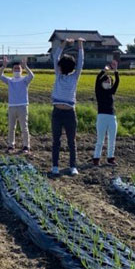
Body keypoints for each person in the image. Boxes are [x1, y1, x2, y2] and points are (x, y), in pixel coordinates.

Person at [50, 37, 85, 176]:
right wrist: (64, 43)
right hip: (57, 112)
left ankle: (72, 166)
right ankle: (55, 166)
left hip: (70, 113)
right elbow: (56, 56)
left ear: (63, 66)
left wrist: (80, 45)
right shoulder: (58, 75)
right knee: (56, 141)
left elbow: (81, 63)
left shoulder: (74, 77)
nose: (57, 65)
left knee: (72, 141)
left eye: (59, 64)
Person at [0, 56, 34, 154]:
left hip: (23, 106)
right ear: (12, 70)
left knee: (24, 127)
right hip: (12, 106)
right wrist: (3, 66)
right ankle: (11, 145)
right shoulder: (10, 80)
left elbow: (32, 76)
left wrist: (26, 66)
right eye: (15, 69)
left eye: (19, 68)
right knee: (11, 127)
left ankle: (26, 146)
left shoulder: (24, 80)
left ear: (22, 70)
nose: (17, 70)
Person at [92, 60, 120, 166]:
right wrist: (104, 71)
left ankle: (110, 158)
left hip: (112, 117)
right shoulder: (99, 91)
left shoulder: (111, 92)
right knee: (100, 139)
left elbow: (117, 82)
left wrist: (115, 70)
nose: (107, 83)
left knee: (112, 139)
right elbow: (97, 80)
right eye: (106, 81)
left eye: (109, 81)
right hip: (102, 117)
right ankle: (96, 158)